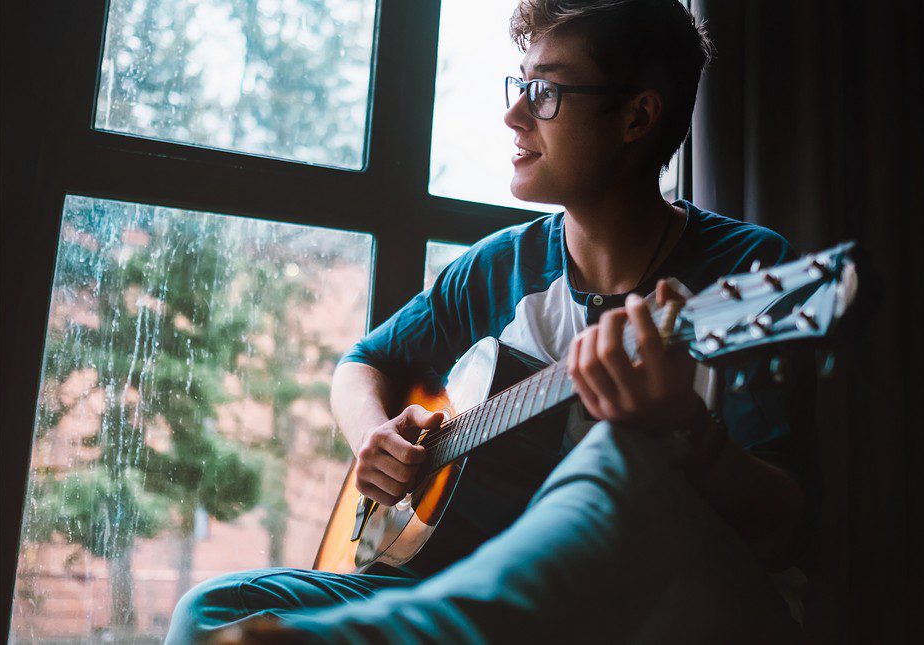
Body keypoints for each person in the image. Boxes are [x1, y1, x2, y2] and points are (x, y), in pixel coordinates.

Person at [166, 1, 810, 642]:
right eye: (521, 84)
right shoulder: (500, 265)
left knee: (620, 452)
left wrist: (685, 430)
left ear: (637, 116)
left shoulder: (750, 274)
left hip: (646, 606)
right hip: (448, 577)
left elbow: (785, 528)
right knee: (213, 612)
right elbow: (363, 364)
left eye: (547, 91)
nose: (514, 113)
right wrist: (379, 440)